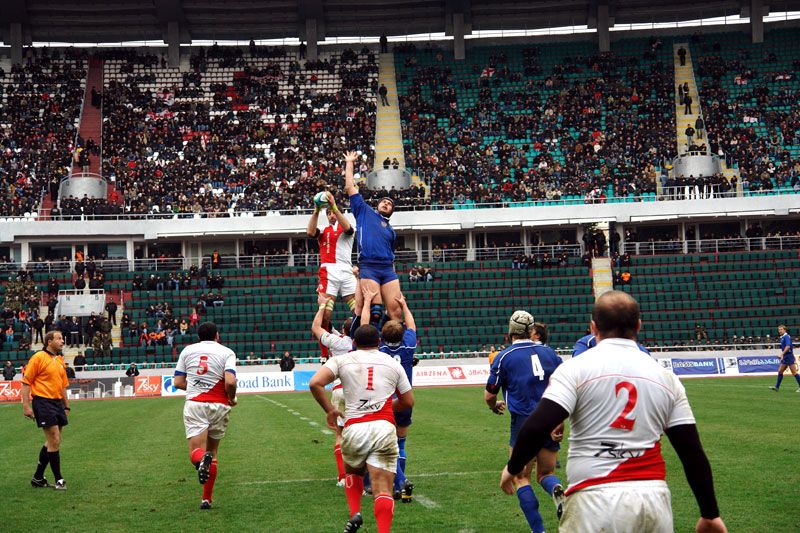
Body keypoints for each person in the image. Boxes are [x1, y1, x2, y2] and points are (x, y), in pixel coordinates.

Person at [499, 291, 727, 533]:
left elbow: (537, 426)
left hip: (593, 499)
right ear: (638, 326)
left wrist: (512, 468)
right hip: (652, 501)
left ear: (593, 327)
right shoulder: (666, 378)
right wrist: (710, 514)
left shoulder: (576, 369)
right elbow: (692, 452)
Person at [309, 325, 414, 533]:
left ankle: (355, 512)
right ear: (379, 342)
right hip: (383, 427)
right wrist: (384, 408)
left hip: (354, 426)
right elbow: (408, 401)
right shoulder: (392, 363)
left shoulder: (342, 359)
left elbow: (315, 383)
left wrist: (330, 410)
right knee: (383, 487)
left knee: (353, 472)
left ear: (354, 343)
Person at [486, 312, 564, 532]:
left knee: (521, 477)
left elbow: (489, 395)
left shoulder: (504, 356)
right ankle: (556, 488)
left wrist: (494, 407)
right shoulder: (550, 353)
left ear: (510, 331)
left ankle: (538, 530)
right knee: (546, 474)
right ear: (532, 331)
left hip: (524, 422)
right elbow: (563, 387)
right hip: (550, 417)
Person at [173, 322, 238, 510]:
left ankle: (202, 460)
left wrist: (195, 387)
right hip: (219, 405)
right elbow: (230, 381)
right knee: (213, 453)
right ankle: (206, 498)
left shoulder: (187, 351)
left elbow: (178, 382)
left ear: (198, 336)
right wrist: (232, 397)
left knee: (196, 452)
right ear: (217, 335)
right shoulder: (227, 352)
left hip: (196, 404)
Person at [343, 151, 402, 322]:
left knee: (396, 313)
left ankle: (394, 345)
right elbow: (350, 187)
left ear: (391, 211)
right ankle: (369, 344)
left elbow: (392, 257)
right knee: (375, 312)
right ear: (378, 204)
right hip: (369, 266)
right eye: (384, 201)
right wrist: (349, 163)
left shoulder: (391, 231)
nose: (386, 203)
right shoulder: (364, 211)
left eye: (390, 203)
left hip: (387, 269)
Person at [377, 292, 418, 502]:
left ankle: (399, 482)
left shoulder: (378, 350)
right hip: (404, 400)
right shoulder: (408, 345)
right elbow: (411, 326)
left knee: (384, 445)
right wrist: (404, 305)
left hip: (385, 402)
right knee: (400, 444)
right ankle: (401, 485)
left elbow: (365, 328)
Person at [311, 293, 355, 486]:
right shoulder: (366, 344)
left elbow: (317, 328)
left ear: (342, 331)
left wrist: (323, 306)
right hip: (359, 391)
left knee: (340, 435)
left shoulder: (338, 342)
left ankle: (343, 477)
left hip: (339, 390)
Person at [307, 191, 357, 356]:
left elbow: (348, 229)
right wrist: (316, 210)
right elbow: (309, 232)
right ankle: (324, 354)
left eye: (333, 213)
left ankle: (360, 345)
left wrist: (334, 207)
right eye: (328, 213)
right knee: (326, 313)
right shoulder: (323, 230)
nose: (331, 216)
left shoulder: (346, 227)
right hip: (329, 271)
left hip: (347, 270)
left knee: (359, 310)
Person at [21, 331, 70, 490]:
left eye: (62, 339)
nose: (62, 341)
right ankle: (59, 480)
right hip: (42, 401)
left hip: (57, 403)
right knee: (54, 439)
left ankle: (37, 478)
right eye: (59, 339)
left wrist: (66, 405)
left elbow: (63, 385)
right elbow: (26, 382)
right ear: (49, 341)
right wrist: (26, 406)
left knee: (53, 441)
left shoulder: (60, 360)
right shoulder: (38, 357)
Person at [770, 324, 800, 392]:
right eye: (779, 330)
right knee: (780, 371)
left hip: (789, 356)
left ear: (784, 330)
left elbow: (788, 346)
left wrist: (782, 354)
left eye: (781, 329)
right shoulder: (782, 337)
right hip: (786, 357)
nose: (779, 331)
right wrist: (783, 355)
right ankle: (777, 387)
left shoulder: (786, 337)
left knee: (794, 373)